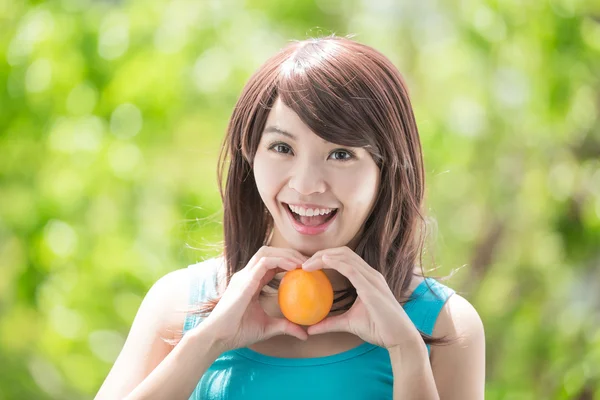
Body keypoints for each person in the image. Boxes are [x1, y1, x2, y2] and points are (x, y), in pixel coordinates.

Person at [95, 35, 486, 400]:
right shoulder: (178, 304)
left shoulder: (443, 325)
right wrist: (206, 342)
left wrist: (406, 352)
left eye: (341, 154)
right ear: (250, 157)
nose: (307, 184)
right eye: (282, 147)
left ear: (388, 170)